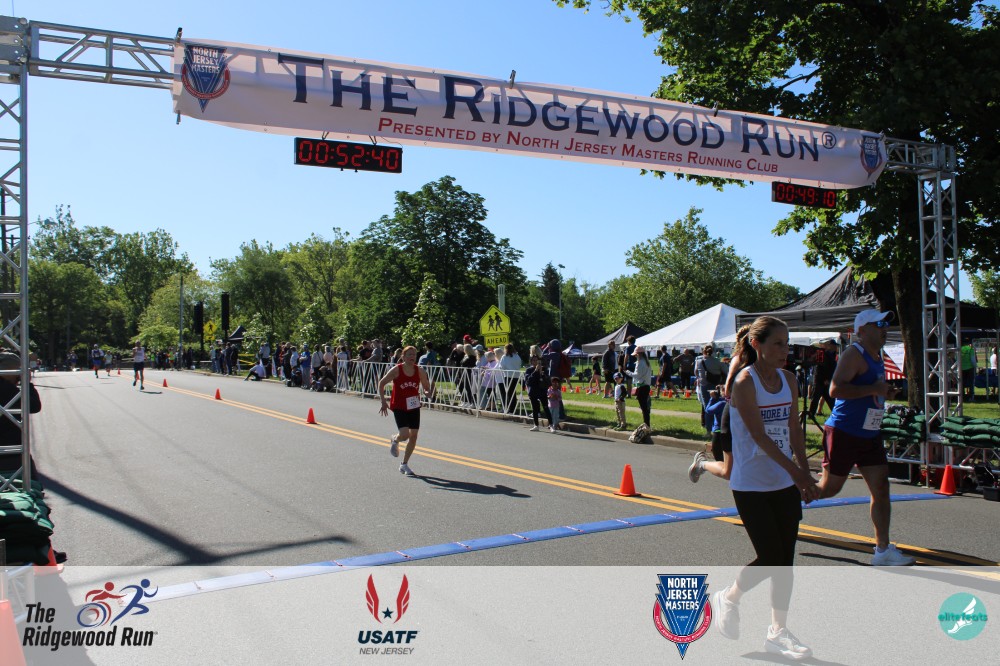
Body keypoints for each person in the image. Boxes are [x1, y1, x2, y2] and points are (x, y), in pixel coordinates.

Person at [710, 317, 818, 660]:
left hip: (783, 482)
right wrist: (797, 474)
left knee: (785, 560)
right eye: (778, 344)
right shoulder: (745, 382)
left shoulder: (789, 380)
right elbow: (759, 436)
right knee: (771, 556)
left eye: (787, 344)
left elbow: (794, 430)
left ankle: (777, 631)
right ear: (757, 345)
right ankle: (729, 597)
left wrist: (804, 472)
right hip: (751, 484)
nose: (786, 351)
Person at [818, 309, 915, 566]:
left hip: (869, 432)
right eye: (879, 324)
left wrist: (884, 393)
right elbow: (835, 389)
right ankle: (787, 502)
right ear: (862, 330)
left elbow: (870, 391)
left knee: (881, 487)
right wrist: (873, 388)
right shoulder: (854, 353)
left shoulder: (878, 356)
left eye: (886, 324)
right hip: (844, 432)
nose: (885, 328)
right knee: (828, 489)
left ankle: (882, 550)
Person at [377, 346, 431, 477]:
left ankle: (404, 464)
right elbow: (381, 383)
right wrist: (383, 401)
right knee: (405, 434)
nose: (412, 357)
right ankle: (395, 439)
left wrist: (427, 392)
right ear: (403, 356)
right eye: (409, 355)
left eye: (414, 355)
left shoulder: (420, 371)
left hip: (413, 405)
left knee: (414, 436)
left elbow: (426, 386)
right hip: (399, 405)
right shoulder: (397, 370)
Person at [695, 344, 724, 434]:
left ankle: (708, 430)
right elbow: (725, 371)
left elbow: (696, 373)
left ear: (703, 351)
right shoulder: (717, 361)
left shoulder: (699, 361)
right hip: (716, 385)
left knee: (707, 407)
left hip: (704, 386)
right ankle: (717, 427)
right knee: (717, 406)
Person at [807, 339, 839, 418]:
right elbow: (821, 368)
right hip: (820, 381)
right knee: (815, 399)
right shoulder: (824, 354)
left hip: (827, 381)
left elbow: (832, 369)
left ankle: (836, 414)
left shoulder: (833, 355)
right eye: (834, 346)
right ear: (830, 346)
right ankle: (811, 415)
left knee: (830, 400)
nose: (836, 347)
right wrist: (826, 379)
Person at [523, 356, 551, 432]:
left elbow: (548, 381)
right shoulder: (529, 370)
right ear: (531, 362)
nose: (535, 362)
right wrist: (535, 371)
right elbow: (528, 381)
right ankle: (536, 425)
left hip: (542, 391)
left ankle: (551, 424)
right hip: (533, 391)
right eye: (534, 360)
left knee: (546, 408)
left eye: (537, 361)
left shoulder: (544, 369)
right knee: (535, 409)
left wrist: (541, 373)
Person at [626, 345, 652, 427]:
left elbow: (637, 375)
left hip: (642, 387)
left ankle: (646, 425)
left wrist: (628, 372)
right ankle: (646, 423)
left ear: (638, 354)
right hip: (646, 386)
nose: (635, 356)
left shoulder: (640, 363)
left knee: (643, 407)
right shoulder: (647, 362)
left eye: (635, 355)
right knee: (645, 407)